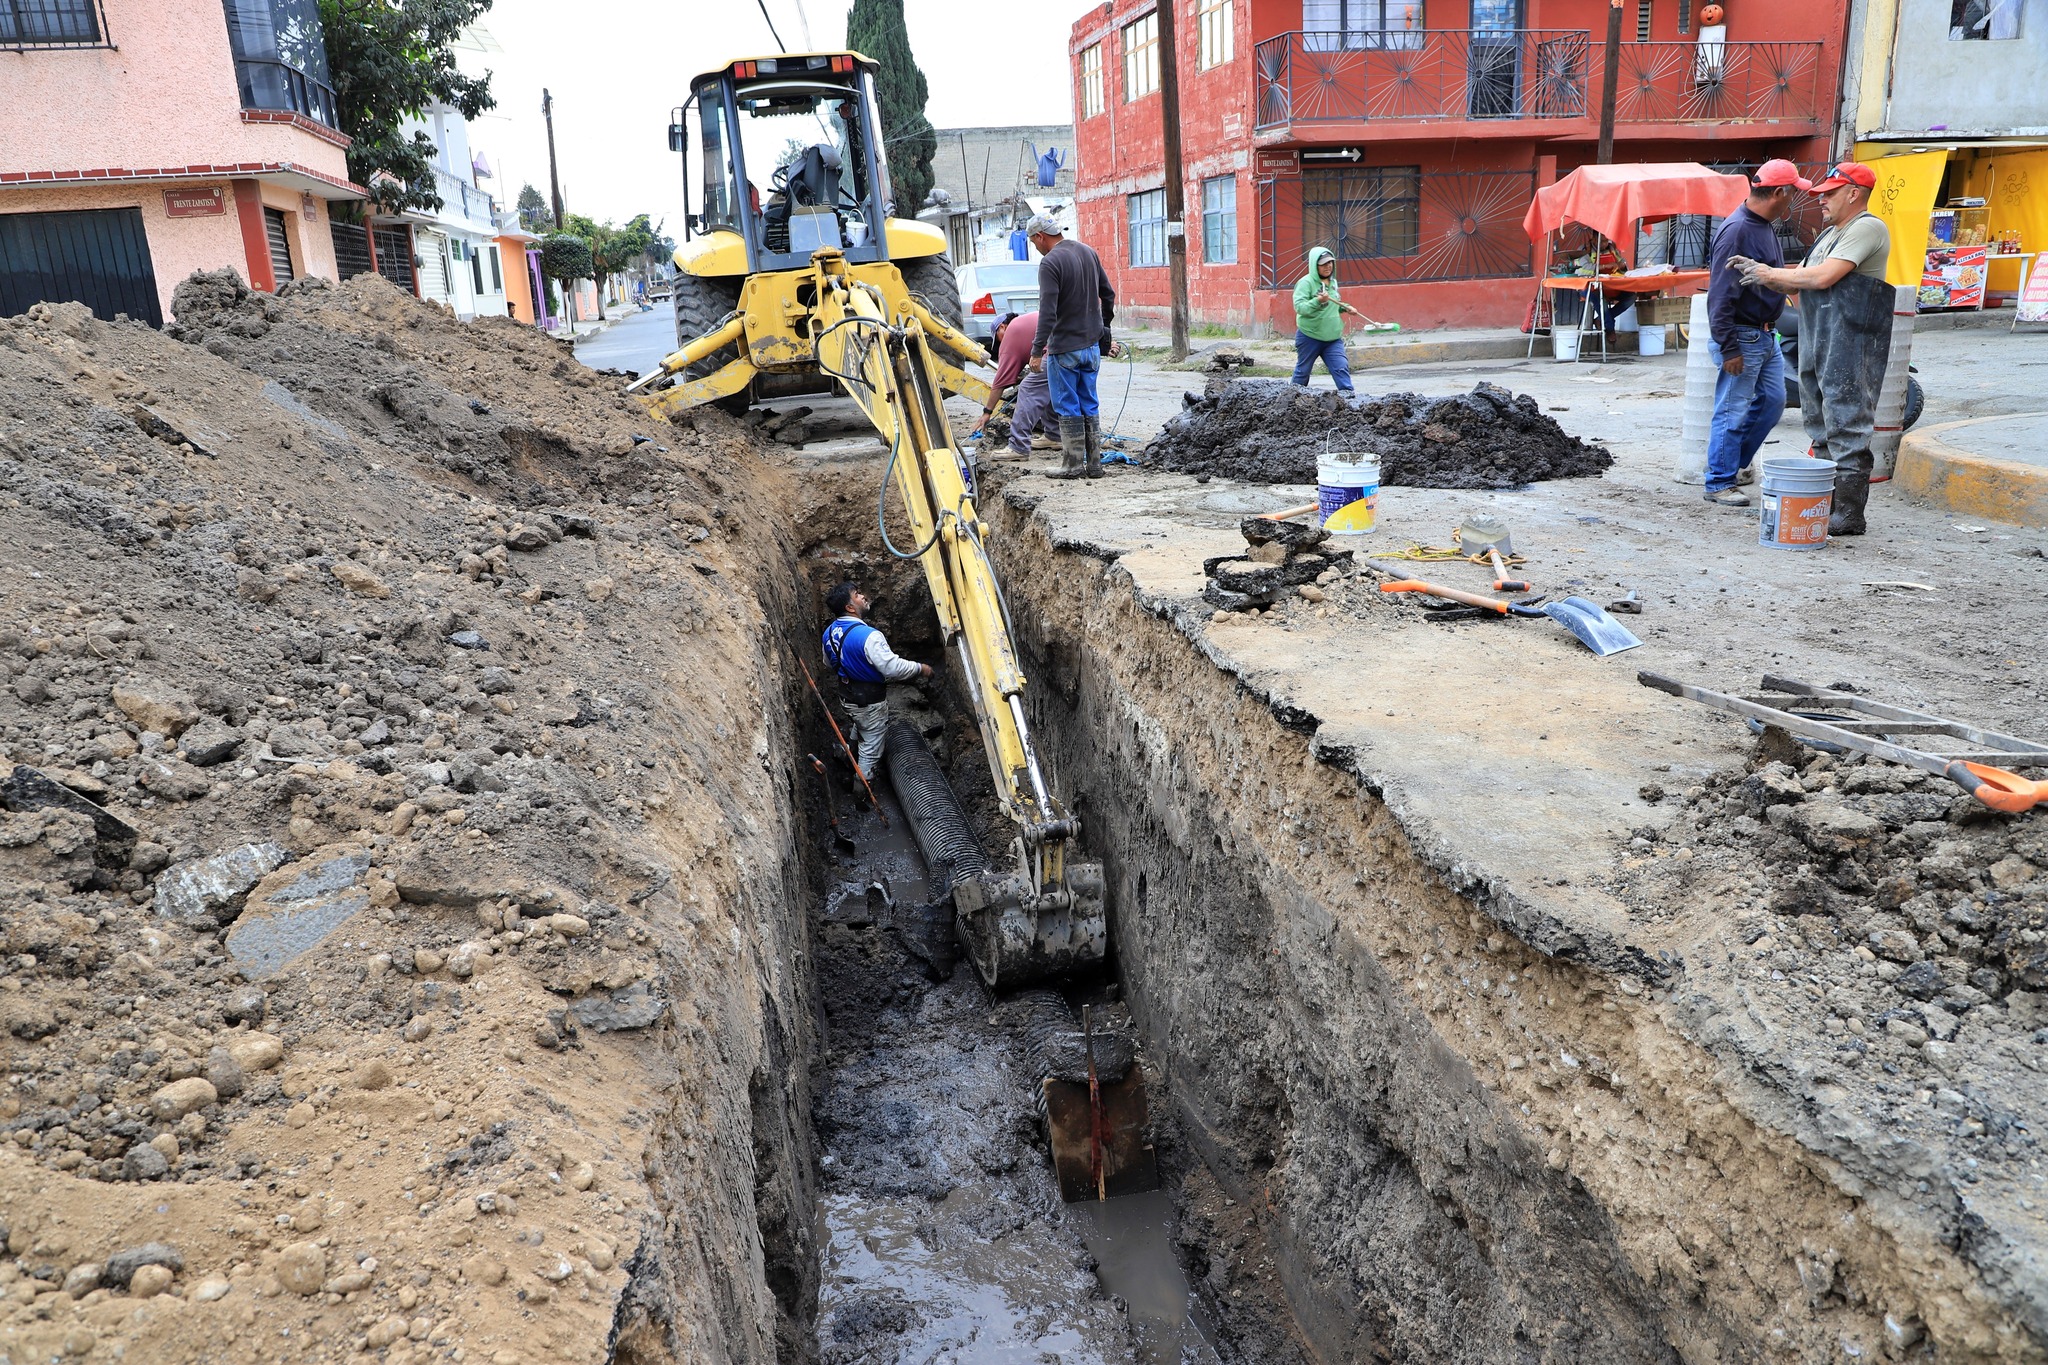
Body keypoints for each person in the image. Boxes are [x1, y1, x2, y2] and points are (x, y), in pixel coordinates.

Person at [1732, 162, 1893, 535]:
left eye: (1829, 193)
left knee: (1847, 423)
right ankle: (1826, 502)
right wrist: (1761, 272)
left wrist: (1768, 273)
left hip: (1853, 342)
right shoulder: (1828, 236)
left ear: (1854, 194)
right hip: (1821, 338)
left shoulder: (1866, 227)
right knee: (1820, 425)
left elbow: (1822, 277)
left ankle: (1849, 513)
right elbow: (1796, 283)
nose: (1820, 199)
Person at [1700, 159, 1806, 508]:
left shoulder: (1761, 225)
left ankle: (1731, 465)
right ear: (1778, 192)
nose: (1792, 201)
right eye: (1792, 194)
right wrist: (1728, 346)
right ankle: (1719, 481)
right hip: (1743, 336)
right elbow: (1720, 294)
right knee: (1731, 411)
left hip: (1764, 334)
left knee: (1773, 402)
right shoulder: (1739, 231)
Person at [1026, 214, 1116, 480]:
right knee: (1089, 402)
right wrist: (1104, 329)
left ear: (1041, 236)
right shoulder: (1088, 252)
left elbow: (1048, 313)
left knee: (1067, 405)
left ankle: (1072, 464)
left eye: (1034, 242)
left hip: (1064, 348)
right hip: (1090, 348)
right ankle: (1095, 465)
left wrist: (1035, 350)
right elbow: (1108, 294)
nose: (1036, 247)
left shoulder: (1050, 262)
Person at [820, 582, 931, 783]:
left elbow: (828, 663)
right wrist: (920, 669)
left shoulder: (829, 632)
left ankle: (848, 754)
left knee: (860, 723)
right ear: (850, 607)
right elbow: (892, 668)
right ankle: (861, 790)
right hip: (868, 701)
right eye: (857, 594)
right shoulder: (869, 636)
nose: (863, 596)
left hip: (847, 696)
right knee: (871, 746)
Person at [972, 311, 1056, 455]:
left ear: (1003, 327)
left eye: (998, 338)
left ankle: (1018, 446)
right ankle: (1055, 436)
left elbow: (999, 382)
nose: (1000, 343)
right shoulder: (1026, 322)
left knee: (1028, 388)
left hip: (1058, 351)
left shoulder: (1012, 332)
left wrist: (987, 412)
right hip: (1077, 345)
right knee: (1046, 385)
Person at [1292, 247, 1364, 397]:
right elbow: (1300, 308)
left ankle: (1349, 400)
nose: (1328, 266)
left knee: (1341, 367)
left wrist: (1345, 308)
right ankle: (1291, 400)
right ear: (1314, 265)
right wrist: (1317, 301)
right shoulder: (1305, 283)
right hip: (1309, 336)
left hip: (1332, 337)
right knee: (1303, 372)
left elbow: (1332, 306)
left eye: (1330, 263)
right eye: (1324, 264)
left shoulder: (1332, 283)